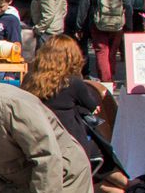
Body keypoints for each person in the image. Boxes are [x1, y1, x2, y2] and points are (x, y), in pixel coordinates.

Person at [23, 36, 103, 167]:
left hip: (36, 141)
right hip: (70, 144)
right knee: (103, 147)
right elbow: (93, 107)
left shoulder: (29, 80)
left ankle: (129, 184)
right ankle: (129, 183)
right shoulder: (73, 83)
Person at [78, 0, 126, 81]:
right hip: (117, 23)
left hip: (98, 23)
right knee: (112, 53)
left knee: (102, 51)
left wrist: (79, 26)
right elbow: (128, 3)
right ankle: (111, 77)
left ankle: (107, 81)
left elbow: (84, 5)